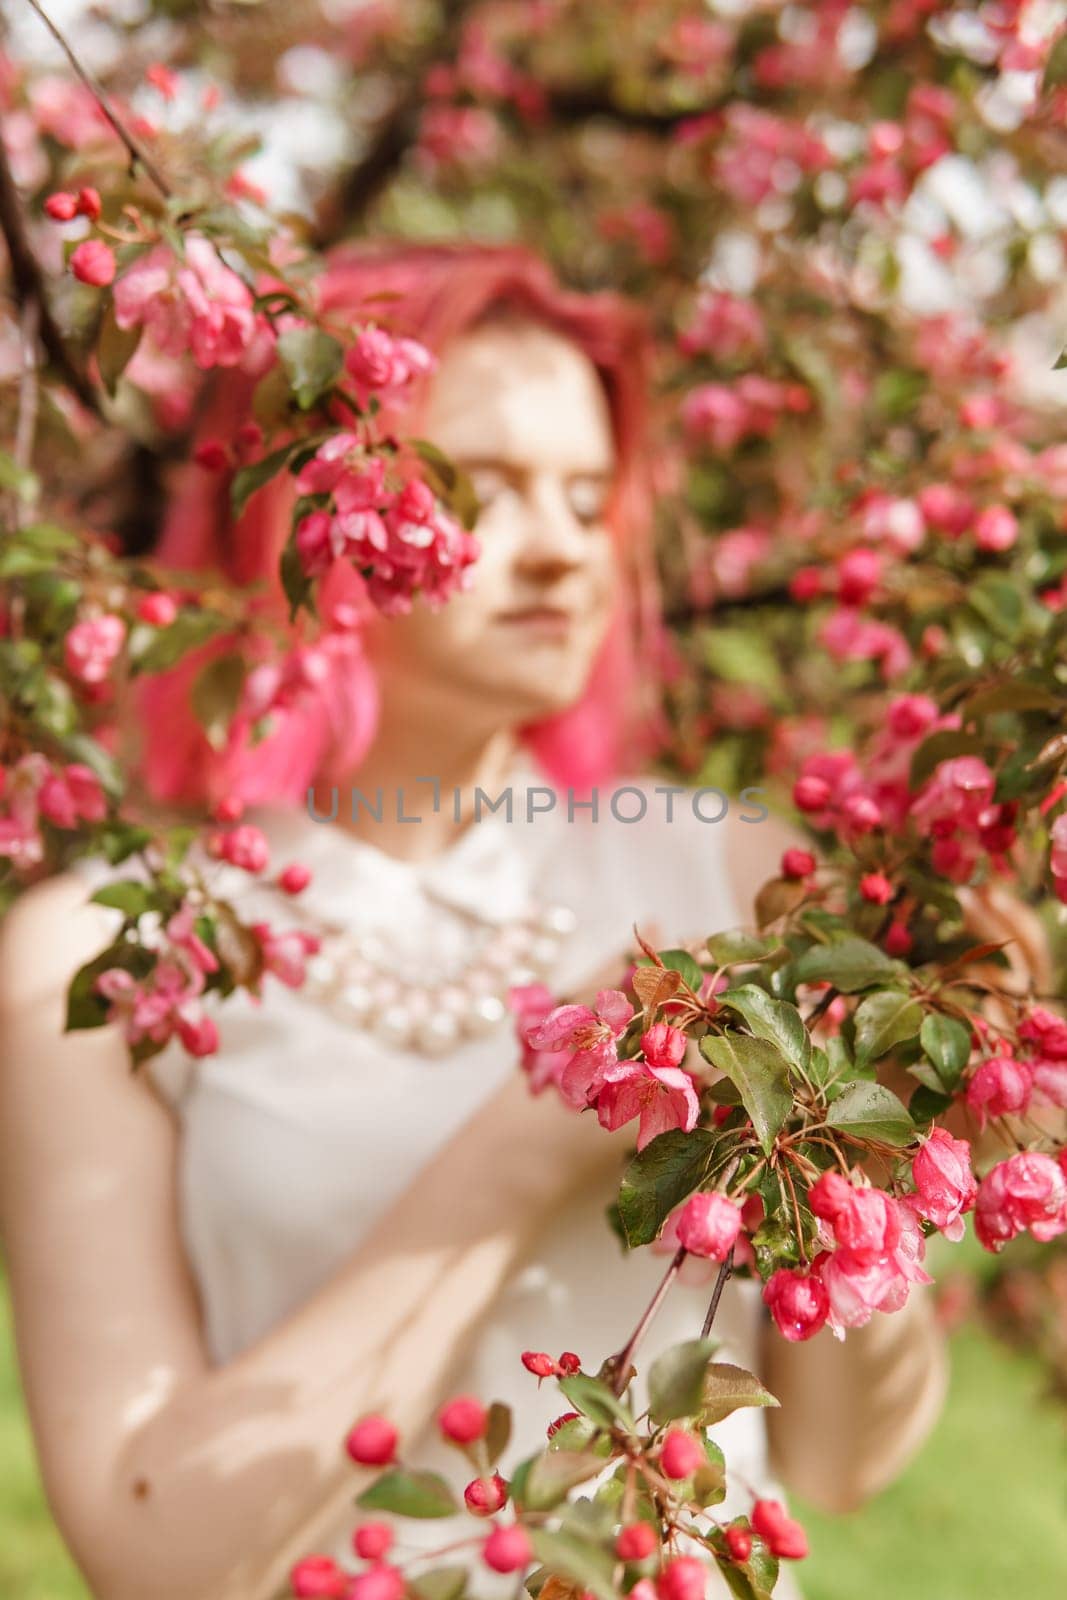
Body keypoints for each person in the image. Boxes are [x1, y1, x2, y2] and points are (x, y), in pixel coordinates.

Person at [0, 244, 949, 1600]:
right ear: (309, 521)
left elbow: (851, 1459)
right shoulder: (100, 958)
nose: (565, 545)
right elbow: (148, 1551)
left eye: (584, 494)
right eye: (488, 490)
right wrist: (512, 1166)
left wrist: (878, 1125)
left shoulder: (730, 875)